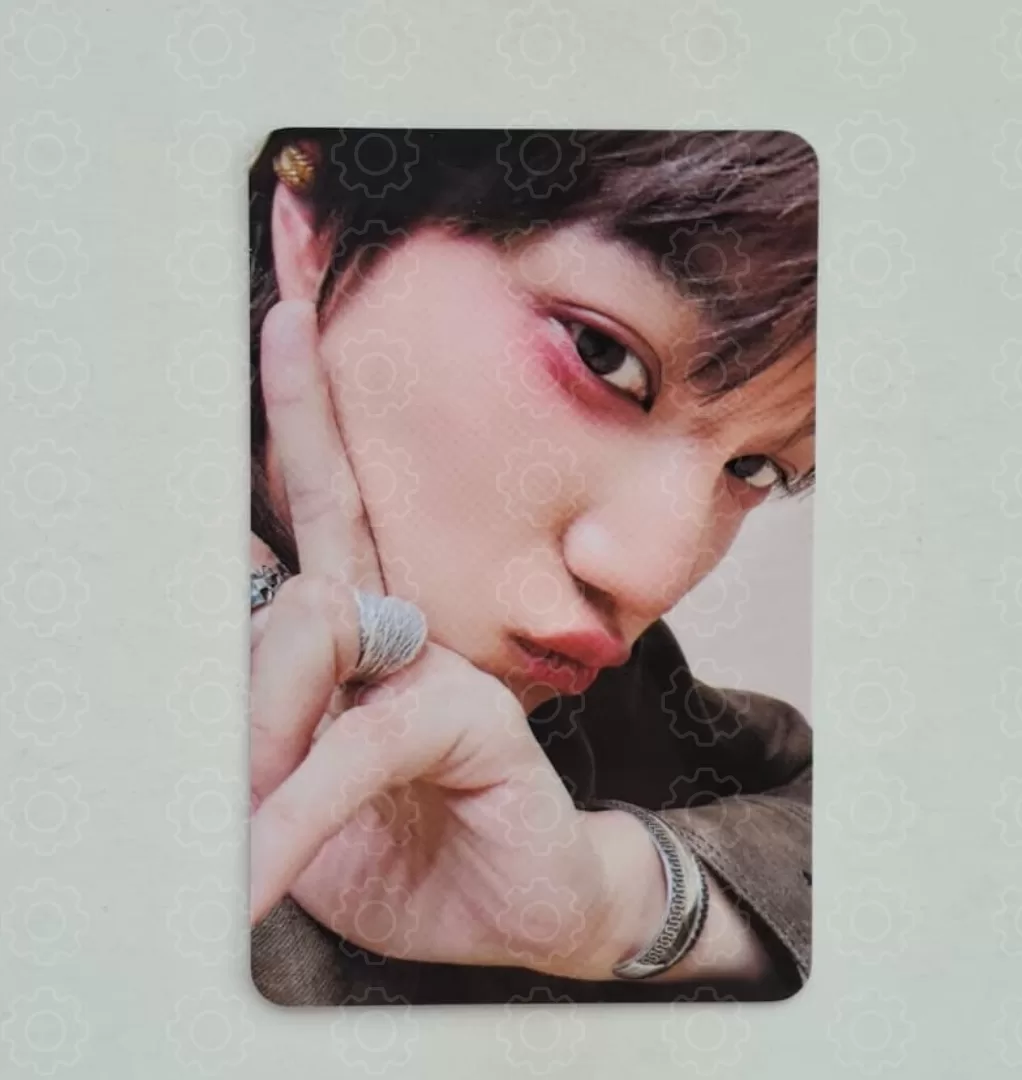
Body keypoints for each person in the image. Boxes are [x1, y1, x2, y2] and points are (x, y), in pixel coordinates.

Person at [246, 128, 816, 1006]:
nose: (652, 577)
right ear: (320, 223)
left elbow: (909, 829)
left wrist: (620, 903)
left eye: (758, 469)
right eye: (601, 353)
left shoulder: (612, 700)